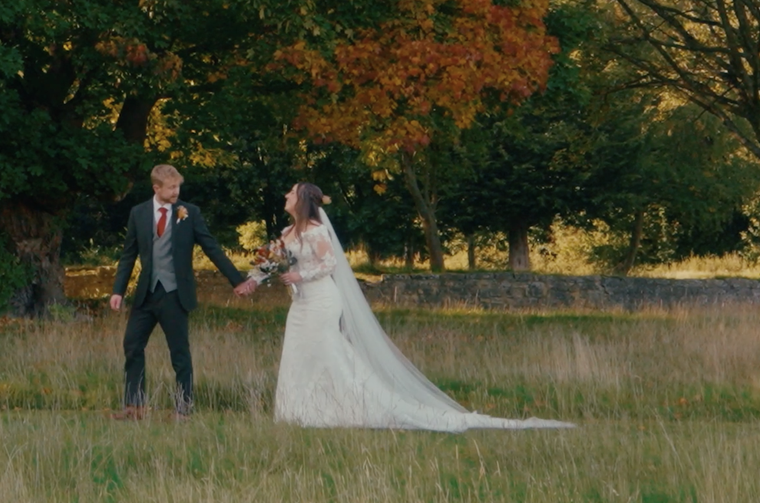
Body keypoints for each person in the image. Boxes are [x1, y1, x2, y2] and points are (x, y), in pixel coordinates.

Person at [243, 181, 572, 431]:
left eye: (291, 193)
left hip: (321, 301)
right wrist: (254, 280)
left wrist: (300, 274)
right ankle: (299, 410)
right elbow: (272, 262)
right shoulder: (288, 232)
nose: (286, 195)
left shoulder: (315, 231)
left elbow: (329, 264)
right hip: (300, 305)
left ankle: (343, 408)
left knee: (328, 353)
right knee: (300, 353)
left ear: (301, 201)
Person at [109, 163, 252, 418]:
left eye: (178, 186)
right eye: (171, 187)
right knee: (132, 345)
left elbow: (212, 248)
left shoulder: (190, 213)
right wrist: (117, 290)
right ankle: (135, 406)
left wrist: (237, 281)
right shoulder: (138, 213)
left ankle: (183, 408)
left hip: (175, 293)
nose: (176, 192)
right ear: (157, 188)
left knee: (179, 353)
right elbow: (128, 254)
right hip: (146, 293)